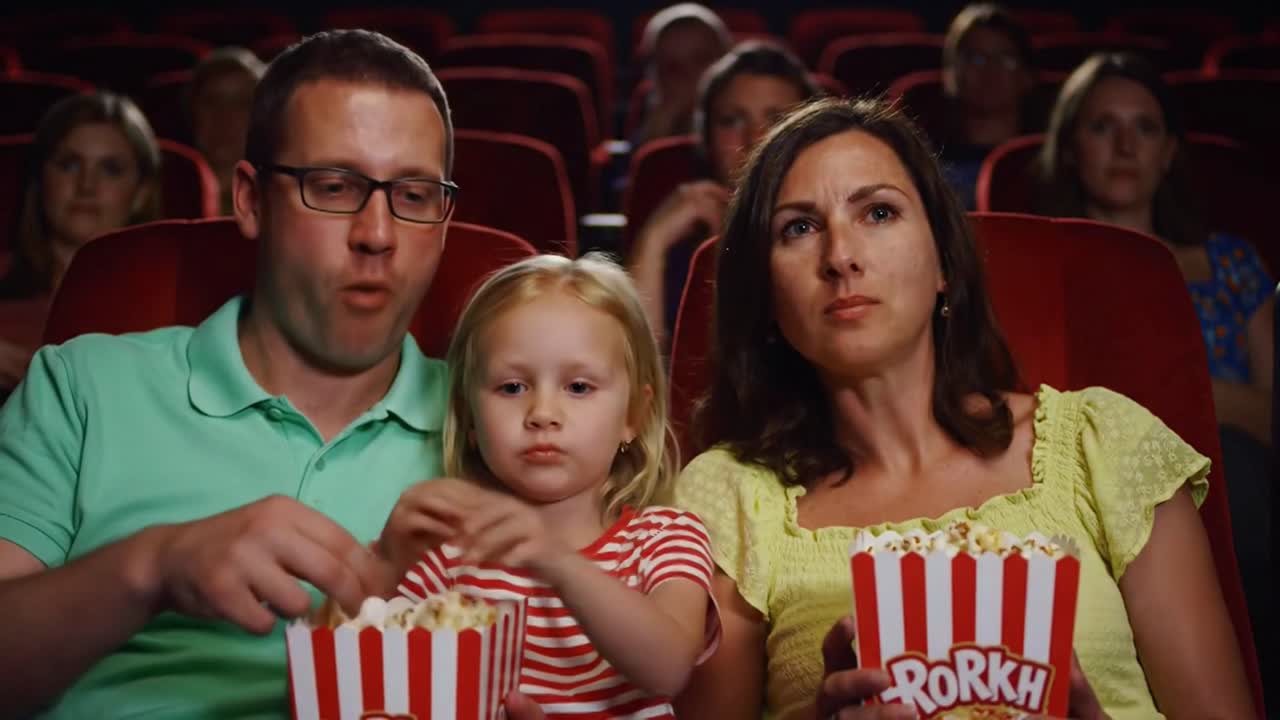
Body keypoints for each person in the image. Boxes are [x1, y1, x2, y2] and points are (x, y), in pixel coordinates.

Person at [0, 30, 542, 720]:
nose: (377, 233)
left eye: (412, 195)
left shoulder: (513, 431)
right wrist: (151, 567)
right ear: (252, 201)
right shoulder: (81, 386)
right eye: (336, 187)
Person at [669, 97, 1256, 719]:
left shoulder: (1101, 443)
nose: (840, 256)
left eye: (878, 212)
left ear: (945, 261)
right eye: (798, 227)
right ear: (765, 297)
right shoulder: (728, 496)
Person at [380, 253, 719, 718]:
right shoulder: (452, 557)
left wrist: (555, 561)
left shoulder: (664, 539)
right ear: (471, 419)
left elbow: (668, 667)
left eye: (578, 387)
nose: (542, 413)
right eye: (512, 388)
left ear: (633, 417)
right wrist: (383, 562)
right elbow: (379, 674)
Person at [1036, 52, 1274, 679]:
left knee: (1241, 475)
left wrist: (1173, 400)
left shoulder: (1230, 263)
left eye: (1144, 128)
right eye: (1101, 126)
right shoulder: (1037, 266)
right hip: (1083, 479)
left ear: (1169, 151)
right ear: (1068, 147)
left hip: (1235, 474)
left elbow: (1272, 414)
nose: (1124, 145)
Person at [627, 40, 820, 340]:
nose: (755, 138)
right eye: (732, 120)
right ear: (706, 140)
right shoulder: (680, 246)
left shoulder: (834, 237)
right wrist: (653, 242)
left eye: (778, 121)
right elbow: (637, 371)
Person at [0, 91, 162, 392]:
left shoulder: (172, 301)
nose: (87, 185)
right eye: (69, 165)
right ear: (41, 178)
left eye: (110, 169)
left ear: (140, 193)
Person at [937, 2, 1035, 209]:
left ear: (1027, 76)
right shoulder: (925, 164)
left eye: (1006, 59)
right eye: (976, 58)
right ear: (949, 75)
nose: (991, 70)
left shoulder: (1048, 165)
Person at [633, 3, 731, 145]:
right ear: (655, 76)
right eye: (673, 67)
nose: (687, 76)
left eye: (700, 59)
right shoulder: (646, 132)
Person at [189, 46, 267, 215]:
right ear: (192, 110)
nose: (224, 116)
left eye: (242, 103)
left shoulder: (281, 201)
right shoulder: (161, 194)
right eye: (211, 101)